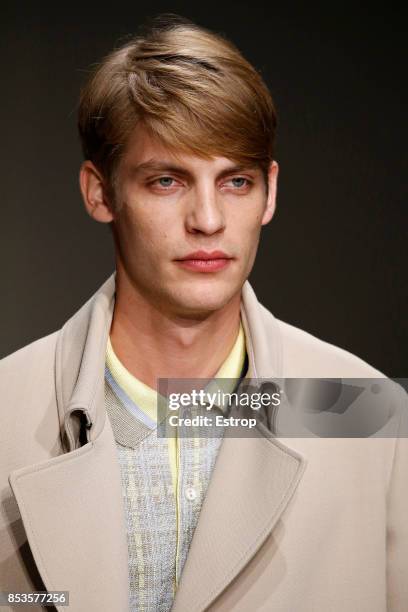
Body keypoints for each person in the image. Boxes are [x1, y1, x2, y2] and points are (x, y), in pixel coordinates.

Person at [0, 14, 406, 612]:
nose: (209, 220)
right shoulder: (7, 411)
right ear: (99, 192)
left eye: (236, 182)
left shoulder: (367, 412)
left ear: (269, 192)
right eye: (167, 181)